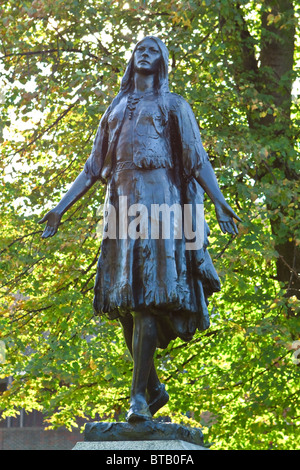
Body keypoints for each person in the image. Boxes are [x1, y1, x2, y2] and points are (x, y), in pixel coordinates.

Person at [39, 36, 241, 423]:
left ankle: (137, 400)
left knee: (147, 299)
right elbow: (91, 167)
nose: (144, 54)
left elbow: (196, 161)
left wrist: (217, 201)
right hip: (120, 207)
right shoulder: (115, 108)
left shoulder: (173, 105)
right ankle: (153, 387)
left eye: (153, 50)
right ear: (131, 61)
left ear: (163, 62)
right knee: (122, 306)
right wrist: (60, 208)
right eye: (139, 50)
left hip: (160, 203)